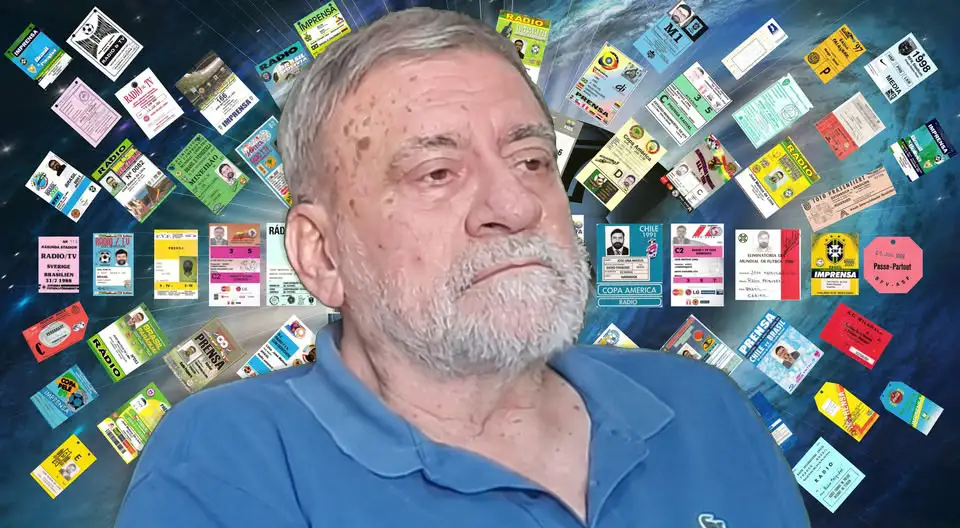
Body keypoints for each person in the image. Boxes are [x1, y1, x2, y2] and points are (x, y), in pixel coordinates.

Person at [117, 9, 809, 528]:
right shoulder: (224, 462)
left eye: (532, 161)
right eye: (437, 172)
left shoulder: (705, 407)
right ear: (323, 255)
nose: (515, 205)